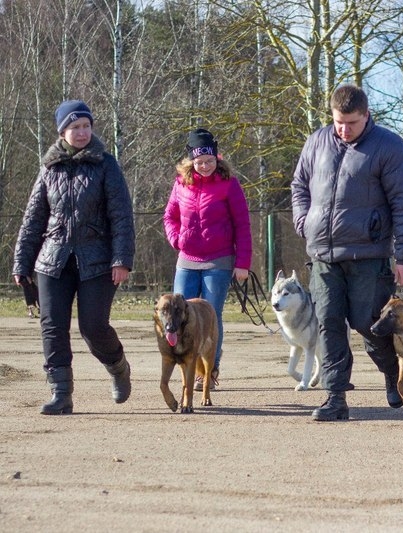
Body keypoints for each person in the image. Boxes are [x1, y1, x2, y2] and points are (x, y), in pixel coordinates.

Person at [291, 84, 403, 421]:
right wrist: (304, 221)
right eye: (338, 122)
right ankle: (335, 397)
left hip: (369, 254)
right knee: (328, 323)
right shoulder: (317, 141)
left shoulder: (388, 146)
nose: (343, 130)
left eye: (351, 123)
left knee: (369, 323)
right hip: (323, 254)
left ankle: (392, 374)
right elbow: (299, 185)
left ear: (366, 116)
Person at [12, 99, 135, 415]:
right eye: (75, 127)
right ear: (62, 131)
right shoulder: (48, 167)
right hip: (52, 260)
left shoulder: (106, 164)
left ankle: (118, 366)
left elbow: (121, 216)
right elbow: (33, 218)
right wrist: (21, 262)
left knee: (93, 327)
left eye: (86, 126)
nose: (82, 132)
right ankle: (61, 394)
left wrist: (121, 259)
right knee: (52, 327)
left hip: (97, 259)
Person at [164, 128, 252, 391]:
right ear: (191, 161)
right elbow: (169, 217)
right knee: (179, 314)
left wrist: (243, 263)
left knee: (212, 315)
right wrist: (177, 240)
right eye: (200, 162)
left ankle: (209, 371)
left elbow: (242, 225)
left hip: (219, 260)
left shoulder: (229, 184)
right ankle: (187, 368)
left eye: (210, 161)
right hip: (187, 260)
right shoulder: (181, 183)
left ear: (217, 158)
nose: (205, 166)